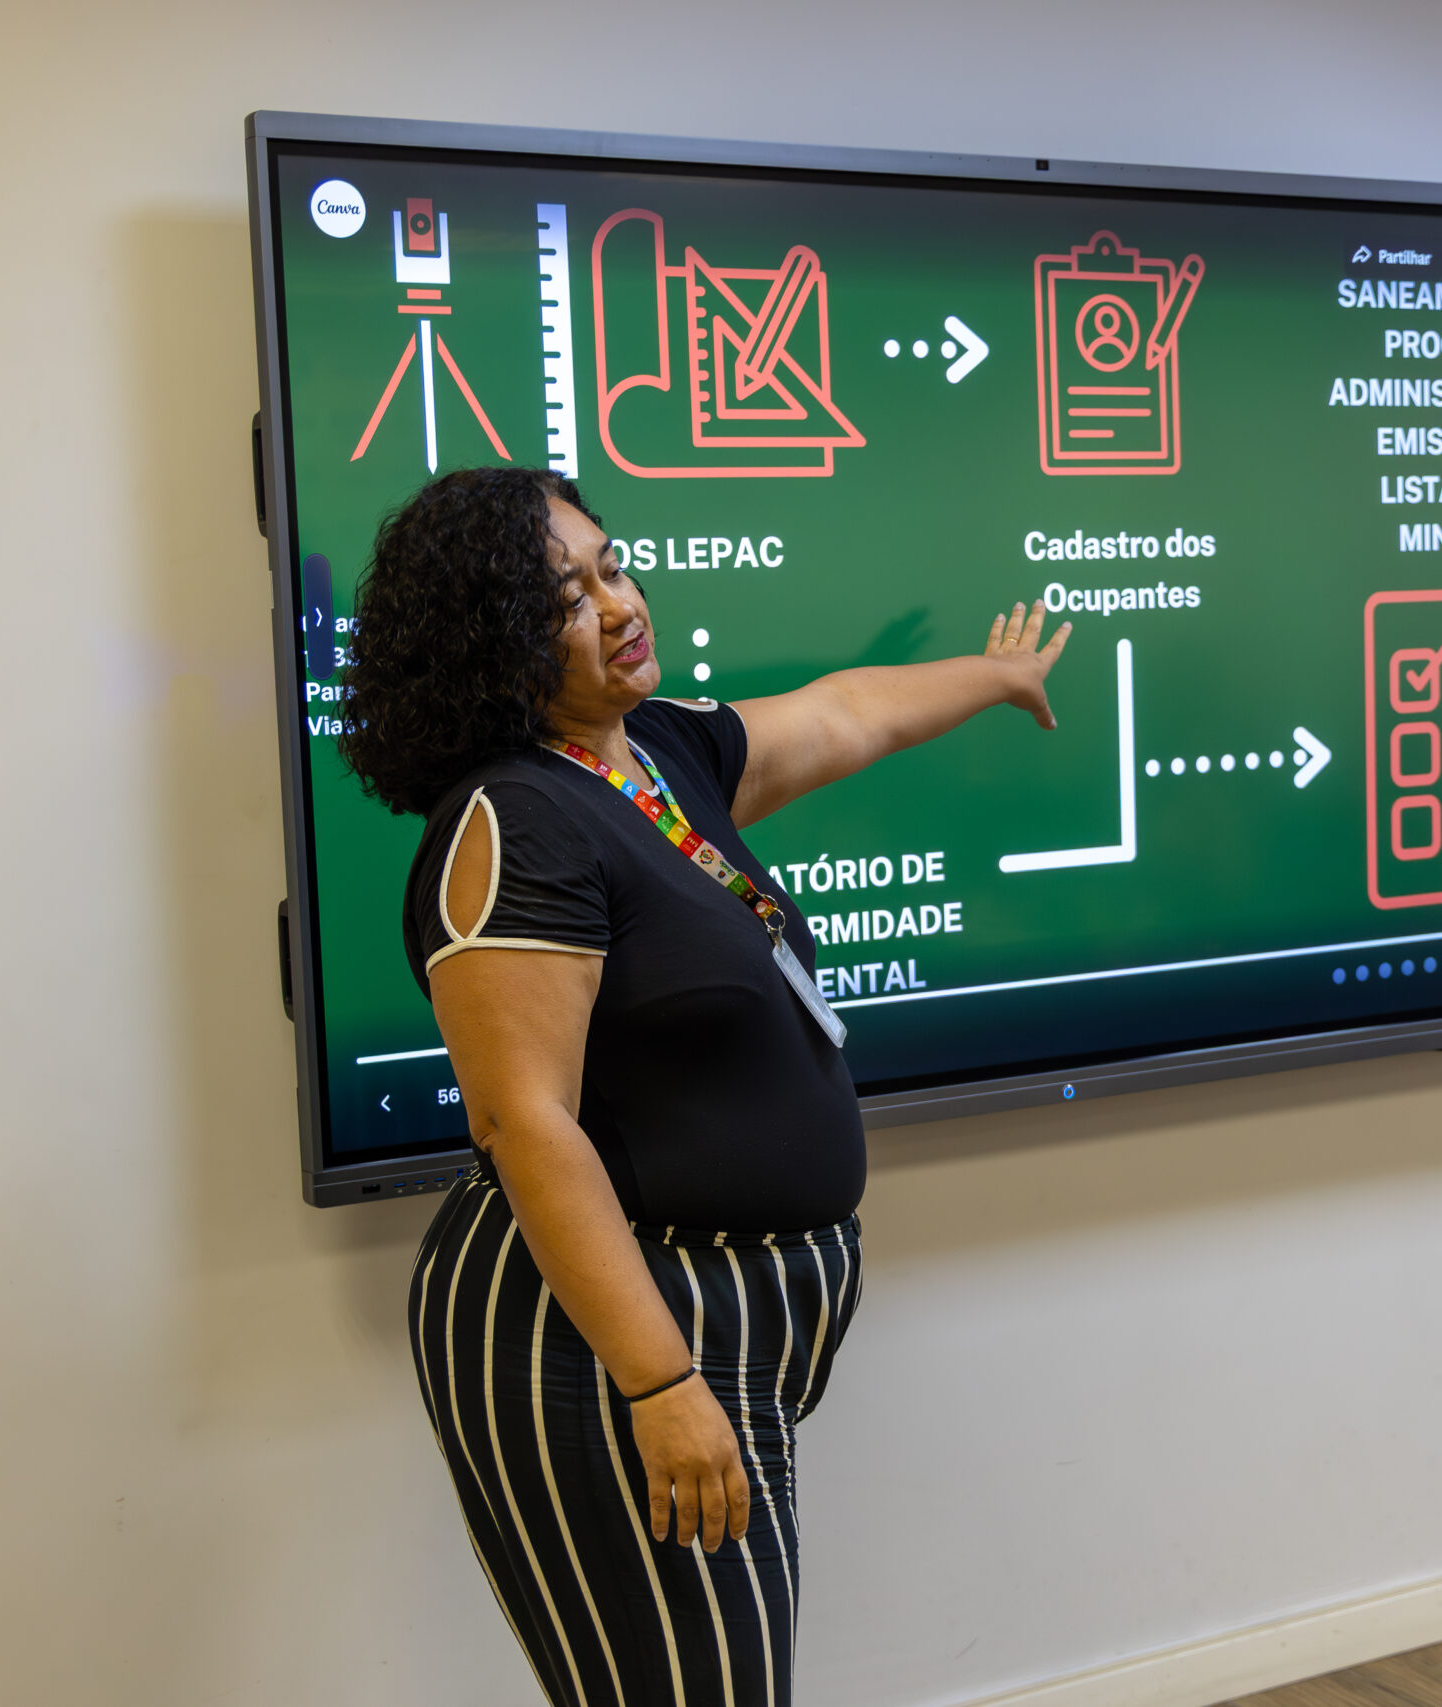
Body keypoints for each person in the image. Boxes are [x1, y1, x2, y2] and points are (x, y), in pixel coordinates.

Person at [336, 467, 1070, 1707]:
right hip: (606, 1327)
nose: (617, 605)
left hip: (725, 1313)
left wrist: (996, 678)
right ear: (490, 644)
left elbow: (844, 714)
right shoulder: (517, 819)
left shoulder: (651, 754)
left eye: (610, 567)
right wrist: (661, 1381)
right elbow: (524, 1121)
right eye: (565, 600)